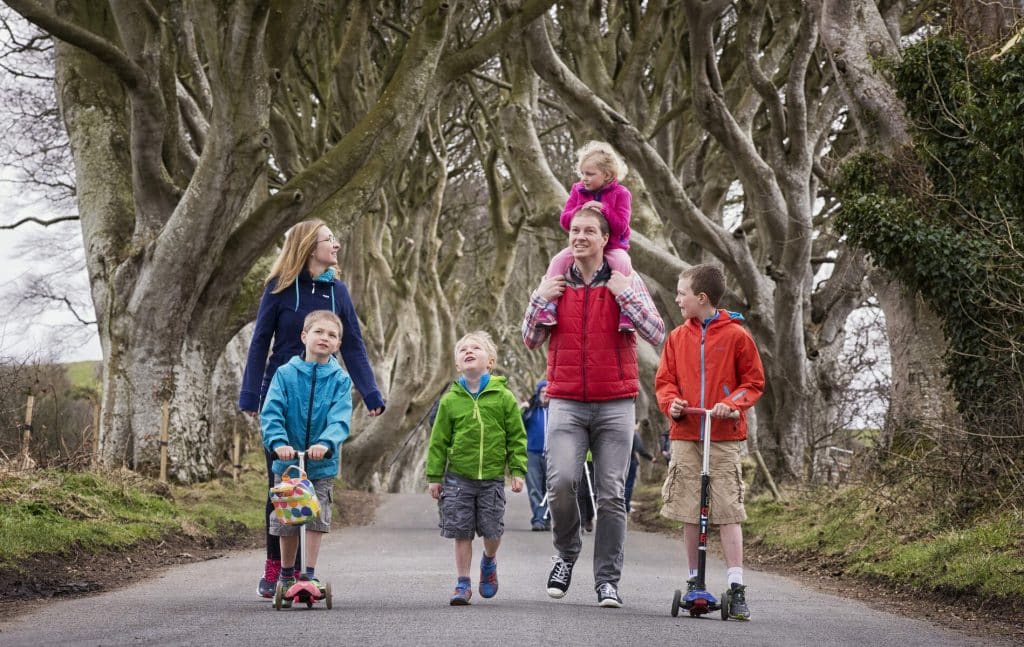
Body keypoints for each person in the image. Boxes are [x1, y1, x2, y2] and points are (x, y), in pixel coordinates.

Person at [522, 207, 665, 608]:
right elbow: (530, 339)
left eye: (589, 231)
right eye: (575, 230)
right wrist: (538, 299)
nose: (579, 236)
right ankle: (566, 555)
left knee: (611, 495)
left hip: (615, 403)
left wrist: (626, 294)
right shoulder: (554, 282)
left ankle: (607, 581)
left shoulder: (625, 279)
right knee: (561, 482)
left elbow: (655, 331)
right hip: (566, 400)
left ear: (605, 239)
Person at [239, 219, 385, 599]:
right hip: (282, 392)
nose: (335, 245)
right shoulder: (279, 288)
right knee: (283, 484)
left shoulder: (337, 290)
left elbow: (352, 341)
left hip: (322, 395)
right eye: (328, 240)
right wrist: (250, 395)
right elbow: (259, 343)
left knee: (315, 484)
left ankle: (305, 571)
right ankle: (277, 566)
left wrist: (370, 393)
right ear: (308, 246)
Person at [655, 264, 765, 621]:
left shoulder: (737, 336)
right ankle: (693, 580)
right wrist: (672, 404)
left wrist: (730, 405)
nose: (677, 299)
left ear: (701, 298)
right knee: (689, 508)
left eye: (681, 293)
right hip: (687, 432)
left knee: (728, 509)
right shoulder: (676, 337)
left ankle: (736, 585)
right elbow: (665, 381)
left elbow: (753, 383)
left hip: (722, 435)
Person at [426, 331, 527, 605]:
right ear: (458, 364)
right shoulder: (450, 400)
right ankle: (462, 583)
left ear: (490, 361)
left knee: (493, 531)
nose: (468, 351)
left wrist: (517, 470)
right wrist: (435, 477)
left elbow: (516, 437)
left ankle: (489, 561)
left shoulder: (504, 398)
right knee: (462, 531)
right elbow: (438, 441)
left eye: (476, 348)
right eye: (463, 350)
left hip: (492, 478)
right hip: (457, 478)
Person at [261, 310, 353, 605]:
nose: (325, 338)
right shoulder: (285, 374)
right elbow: (272, 411)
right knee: (287, 517)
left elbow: (340, 418)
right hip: (288, 462)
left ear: (338, 344)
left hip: (321, 463)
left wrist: (326, 442)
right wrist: (278, 443)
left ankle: (309, 573)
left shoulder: (339, 379)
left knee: (315, 516)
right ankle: (287, 573)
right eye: (319, 332)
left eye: (332, 335)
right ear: (304, 337)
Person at [536, 142, 635, 332]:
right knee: (558, 260)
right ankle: (548, 308)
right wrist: (580, 210)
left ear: (607, 175)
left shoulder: (621, 194)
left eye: (590, 174)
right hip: (582, 247)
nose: (584, 179)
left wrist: (604, 210)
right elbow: (565, 221)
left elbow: (622, 226)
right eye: (582, 173)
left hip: (613, 246)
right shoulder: (577, 190)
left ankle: (626, 313)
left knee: (623, 263)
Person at [522, 379, 551, 531]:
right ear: (537, 393)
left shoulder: (556, 411)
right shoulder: (531, 410)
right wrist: (522, 410)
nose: (545, 394)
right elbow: (518, 426)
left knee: (551, 489)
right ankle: (538, 519)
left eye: (548, 392)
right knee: (535, 489)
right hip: (532, 454)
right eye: (542, 391)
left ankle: (547, 519)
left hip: (552, 455)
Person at [624, 428, 656, 514]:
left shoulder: (619, 432)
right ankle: (626, 507)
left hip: (619, 462)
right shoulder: (634, 434)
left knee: (620, 484)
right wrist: (651, 458)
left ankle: (619, 506)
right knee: (628, 485)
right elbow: (640, 449)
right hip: (630, 461)